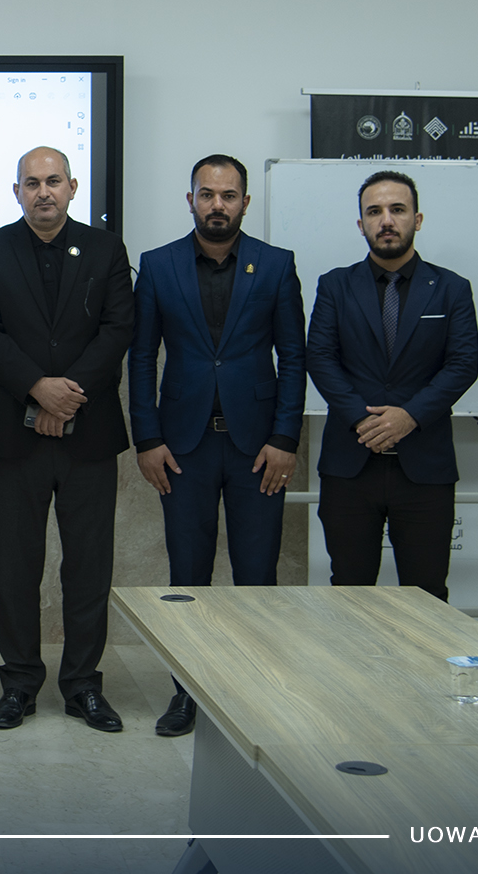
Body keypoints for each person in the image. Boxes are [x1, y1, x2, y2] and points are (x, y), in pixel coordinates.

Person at [129, 154, 305, 738]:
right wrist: (147, 438)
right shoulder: (158, 265)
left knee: (257, 578)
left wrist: (285, 438)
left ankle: (254, 696)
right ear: (191, 200)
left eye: (229, 196)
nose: (217, 205)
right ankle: (188, 694)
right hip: (184, 448)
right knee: (187, 579)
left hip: (260, 450)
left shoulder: (276, 265)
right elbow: (140, 358)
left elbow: (294, 357)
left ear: (245, 203)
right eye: (207, 194)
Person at [0, 146, 135, 734]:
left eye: (53, 181)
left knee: (88, 569)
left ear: (72, 187)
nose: (43, 191)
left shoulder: (106, 249)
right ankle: (19, 684)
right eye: (32, 182)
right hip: (12, 436)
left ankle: (83, 685)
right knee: (17, 568)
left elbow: (118, 328)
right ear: (17, 191)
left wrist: (68, 396)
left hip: (89, 435)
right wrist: (38, 390)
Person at [306, 171, 478, 600]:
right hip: (350, 465)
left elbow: (463, 364)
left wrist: (409, 417)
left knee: (427, 596)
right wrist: (363, 421)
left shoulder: (452, 288)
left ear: (417, 219)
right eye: (374, 212)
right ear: (361, 223)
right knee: (349, 592)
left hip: (424, 469)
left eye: (397, 210)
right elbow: (320, 358)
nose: (386, 220)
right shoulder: (335, 285)